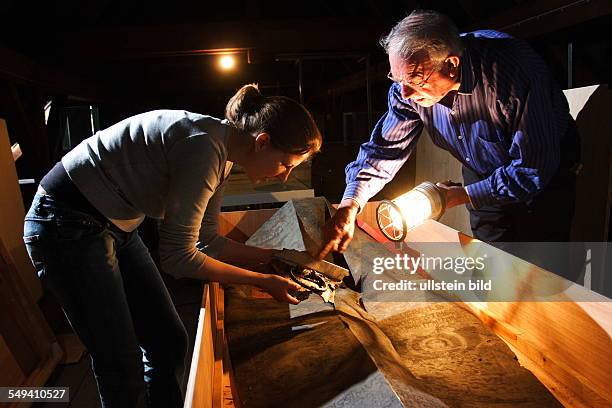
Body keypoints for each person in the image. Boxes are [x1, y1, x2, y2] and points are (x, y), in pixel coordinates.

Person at [23, 84, 322, 407]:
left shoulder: (223, 153)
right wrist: (262, 280)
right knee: (120, 363)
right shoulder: (204, 148)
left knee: (168, 342)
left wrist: (275, 257)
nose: (285, 178)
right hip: (65, 222)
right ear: (262, 143)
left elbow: (206, 241)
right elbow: (178, 257)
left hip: (116, 223)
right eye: (286, 164)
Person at [318, 10, 580, 273]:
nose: (406, 93)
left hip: (545, 170)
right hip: (482, 166)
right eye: (397, 80)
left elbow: (532, 169)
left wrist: (461, 195)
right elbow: (386, 150)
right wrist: (350, 205)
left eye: (414, 79)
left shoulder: (512, 75)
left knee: (545, 270)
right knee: (493, 262)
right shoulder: (407, 88)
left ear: (451, 65)